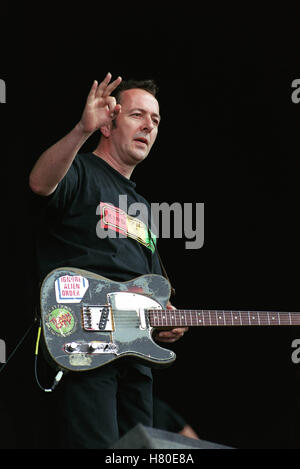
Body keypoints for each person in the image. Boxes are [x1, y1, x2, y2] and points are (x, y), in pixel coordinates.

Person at [29, 73, 188, 449]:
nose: (149, 125)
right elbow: (39, 183)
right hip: (85, 343)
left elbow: (151, 284)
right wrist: (81, 131)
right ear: (108, 124)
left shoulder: (144, 209)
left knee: (138, 452)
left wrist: (165, 317)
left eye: (156, 120)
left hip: (134, 357)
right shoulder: (82, 170)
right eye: (137, 115)